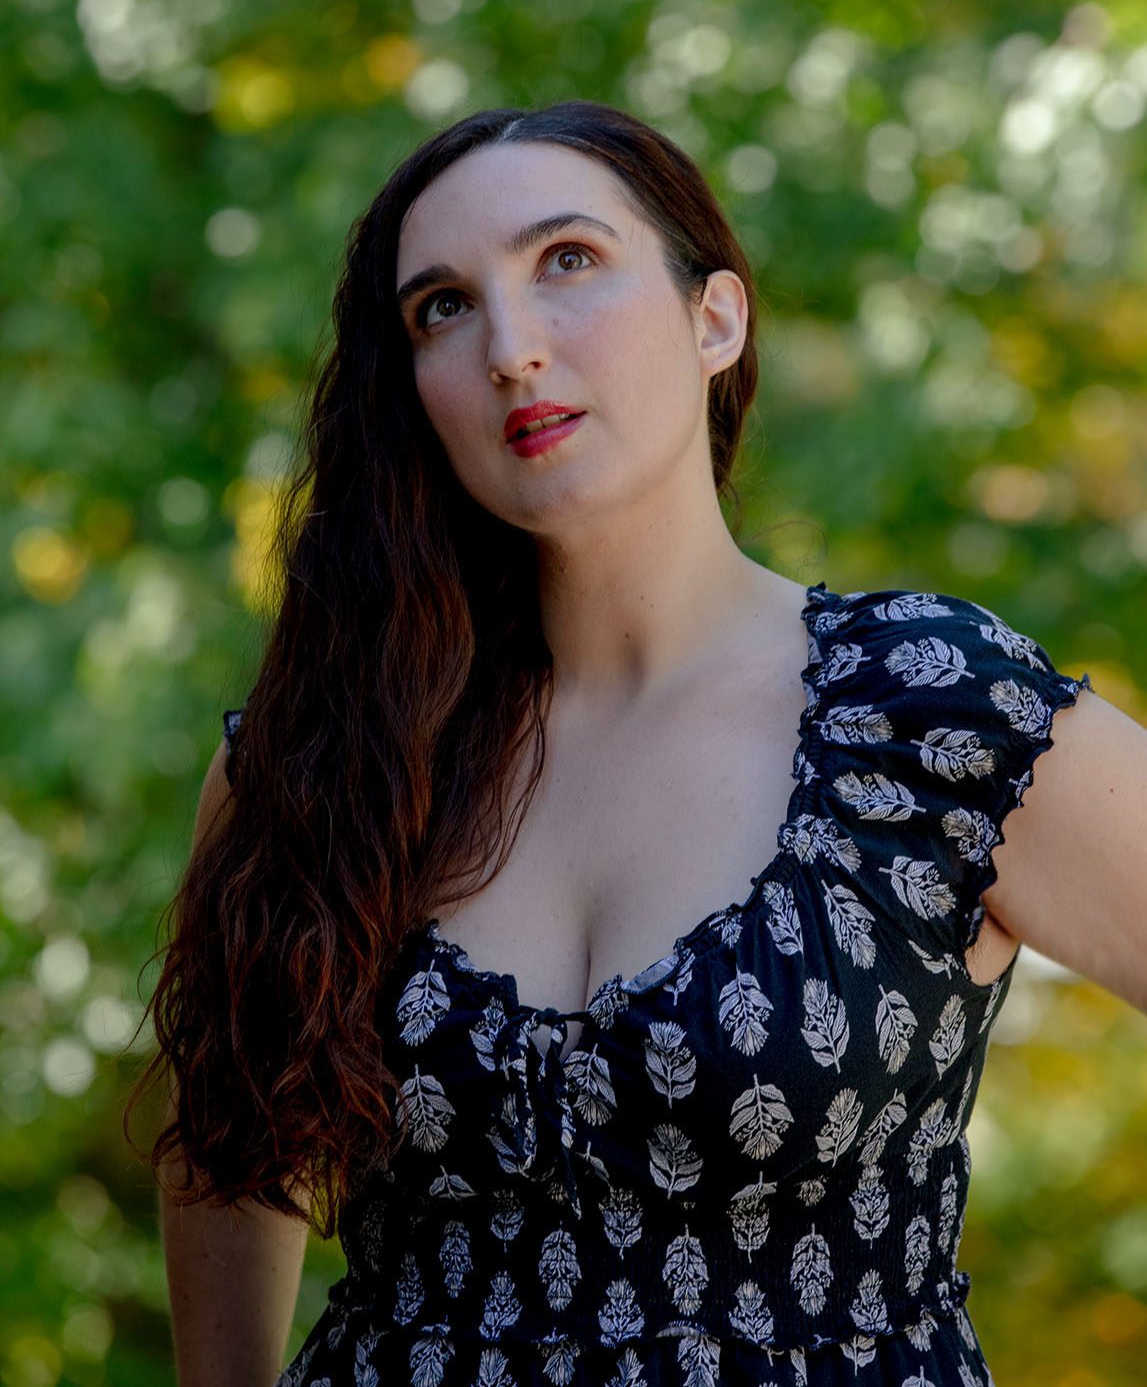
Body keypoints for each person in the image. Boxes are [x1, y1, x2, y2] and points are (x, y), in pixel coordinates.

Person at [125, 99, 1147, 1387]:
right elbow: (229, 1145)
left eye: (568, 262)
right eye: (442, 307)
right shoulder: (323, 750)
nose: (511, 347)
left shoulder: (930, 711)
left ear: (714, 318)